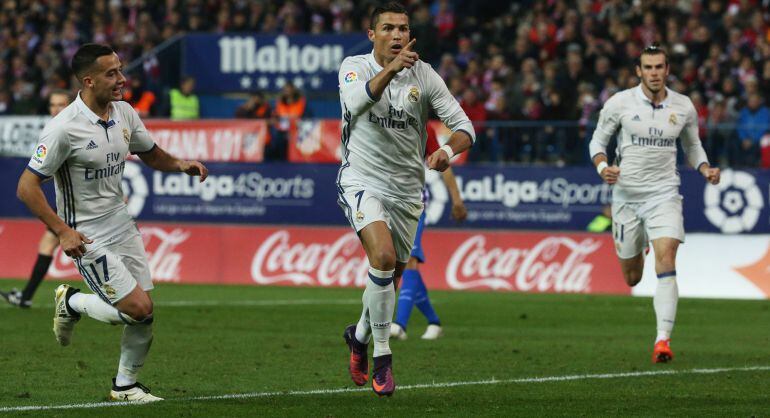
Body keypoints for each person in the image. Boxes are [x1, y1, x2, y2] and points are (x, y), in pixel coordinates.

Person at [16, 44, 208, 402]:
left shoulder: (124, 113)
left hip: (121, 223)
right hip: (86, 235)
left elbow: (151, 153)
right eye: (111, 73)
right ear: (89, 81)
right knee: (138, 309)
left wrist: (180, 164)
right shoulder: (63, 129)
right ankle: (72, 301)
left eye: (120, 69)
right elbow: (26, 187)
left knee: (143, 313)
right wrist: (63, 231)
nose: (121, 78)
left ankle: (125, 386)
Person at [337, 2, 475, 397]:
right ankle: (383, 357)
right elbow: (356, 102)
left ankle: (359, 336)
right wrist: (392, 69)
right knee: (381, 258)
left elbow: (464, 127)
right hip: (362, 180)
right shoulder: (353, 67)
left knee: (390, 277)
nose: (397, 35)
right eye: (388, 28)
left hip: (407, 192)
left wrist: (446, 151)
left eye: (402, 28)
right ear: (372, 34)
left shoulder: (425, 75)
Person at [588, 45, 720, 364]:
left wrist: (704, 168)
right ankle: (642, 245)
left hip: (664, 194)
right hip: (627, 197)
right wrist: (603, 167)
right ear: (639, 71)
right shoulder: (619, 103)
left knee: (667, 256)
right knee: (632, 277)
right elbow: (598, 141)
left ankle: (662, 340)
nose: (654, 72)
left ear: (667, 69)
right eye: (648, 67)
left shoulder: (683, 106)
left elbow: (692, 145)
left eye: (659, 66)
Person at [390, 124, 467, 341]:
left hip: (414, 205)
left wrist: (457, 200)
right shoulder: (382, 121)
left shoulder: (422, 127)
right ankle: (434, 322)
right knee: (402, 264)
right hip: (389, 204)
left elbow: (444, 165)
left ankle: (400, 325)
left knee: (410, 260)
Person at [1, 89, 72, 308]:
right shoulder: (55, 129)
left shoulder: (70, 130)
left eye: (61, 104)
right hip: (69, 202)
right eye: (53, 104)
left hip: (82, 202)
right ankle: (26, 296)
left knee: (54, 244)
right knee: (48, 243)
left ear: (70, 106)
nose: (56, 109)